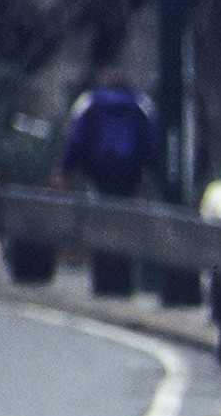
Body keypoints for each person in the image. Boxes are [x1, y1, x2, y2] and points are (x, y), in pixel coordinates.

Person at [58, 65, 160, 296]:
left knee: (100, 221)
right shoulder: (140, 103)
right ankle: (123, 281)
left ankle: (103, 281)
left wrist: (65, 169)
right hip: (130, 174)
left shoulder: (89, 102)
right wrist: (154, 173)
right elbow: (152, 142)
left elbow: (76, 139)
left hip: (99, 173)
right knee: (126, 222)